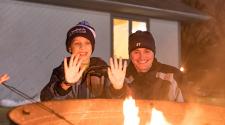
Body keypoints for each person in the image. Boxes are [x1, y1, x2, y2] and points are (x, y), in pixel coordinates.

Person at [40, 21, 127, 101]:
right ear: (70, 48)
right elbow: (45, 100)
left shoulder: (104, 71)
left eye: (87, 43)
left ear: (92, 47)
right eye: (77, 43)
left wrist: (118, 88)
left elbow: (120, 105)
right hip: (68, 118)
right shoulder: (60, 71)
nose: (82, 47)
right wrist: (66, 84)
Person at [110, 30, 184, 102]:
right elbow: (108, 109)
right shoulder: (119, 76)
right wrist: (117, 89)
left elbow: (189, 108)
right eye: (136, 52)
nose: (142, 57)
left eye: (147, 51)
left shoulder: (173, 76)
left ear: (154, 53)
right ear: (130, 55)